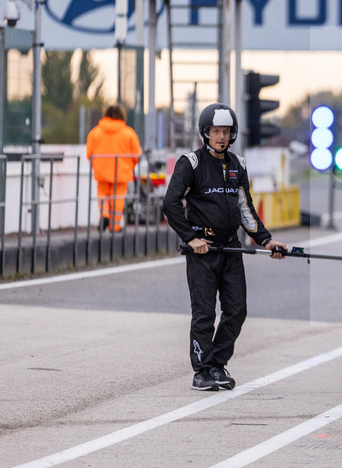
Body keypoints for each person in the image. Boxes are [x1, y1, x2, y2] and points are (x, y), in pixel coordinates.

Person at [163, 103, 287, 391]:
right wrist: (191, 239)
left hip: (230, 249)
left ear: (233, 135)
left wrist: (267, 240)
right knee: (205, 313)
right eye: (216, 131)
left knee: (236, 310)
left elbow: (246, 209)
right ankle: (202, 371)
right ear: (205, 133)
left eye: (226, 131)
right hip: (203, 250)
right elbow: (171, 204)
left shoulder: (238, 165)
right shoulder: (190, 163)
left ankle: (218, 364)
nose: (221, 136)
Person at [86, 105, 142, 232]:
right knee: (117, 199)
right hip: (121, 172)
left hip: (101, 171)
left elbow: (89, 153)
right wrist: (130, 167)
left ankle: (104, 215)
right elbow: (136, 155)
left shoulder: (95, 133)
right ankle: (114, 226)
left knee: (103, 196)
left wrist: (97, 164)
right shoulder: (129, 133)